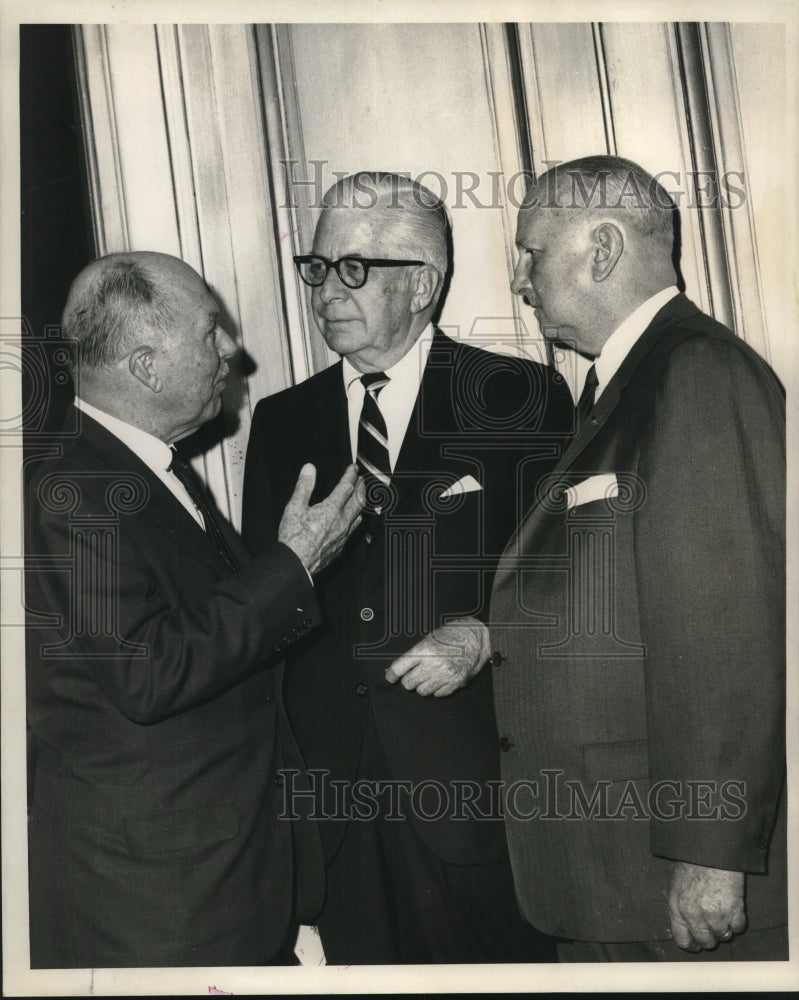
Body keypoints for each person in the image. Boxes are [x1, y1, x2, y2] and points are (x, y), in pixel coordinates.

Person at [243, 172, 574, 964]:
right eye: (316, 268)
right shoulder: (281, 420)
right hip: (336, 807)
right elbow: (262, 611)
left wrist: (485, 633)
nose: (326, 291)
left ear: (422, 284)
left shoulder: (519, 398)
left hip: (475, 796)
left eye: (353, 268)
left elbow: (571, 579)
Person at [24, 251, 364, 968]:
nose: (232, 351)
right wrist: (293, 564)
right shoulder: (73, 490)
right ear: (145, 366)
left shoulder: (148, 469)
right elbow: (148, 672)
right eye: (210, 333)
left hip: (222, 886)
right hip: (157, 908)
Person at [489, 155, 787, 961]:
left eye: (530, 252)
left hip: (664, 876)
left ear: (601, 248)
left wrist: (709, 851)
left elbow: (726, 634)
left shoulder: (694, 374)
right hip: (611, 870)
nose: (519, 281)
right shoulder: (621, 386)